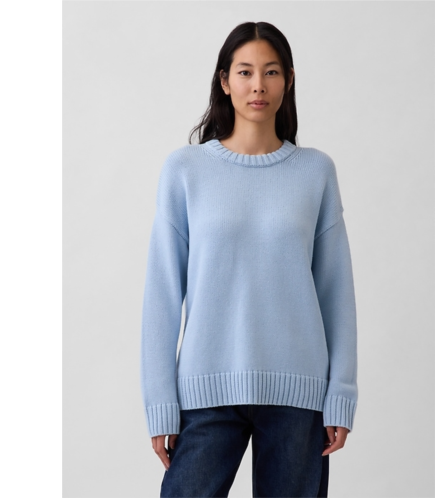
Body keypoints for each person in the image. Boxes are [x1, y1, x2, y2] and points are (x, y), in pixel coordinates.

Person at [141, 21, 358, 498]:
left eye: (271, 72)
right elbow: (162, 293)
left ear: (288, 80)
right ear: (224, 81)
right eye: (245, 72)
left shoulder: (316, 172)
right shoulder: (185, 170)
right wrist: (160, 402)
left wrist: (341, 394)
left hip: (299, 393)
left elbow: (336, 292)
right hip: (205, 390)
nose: (258, 85)